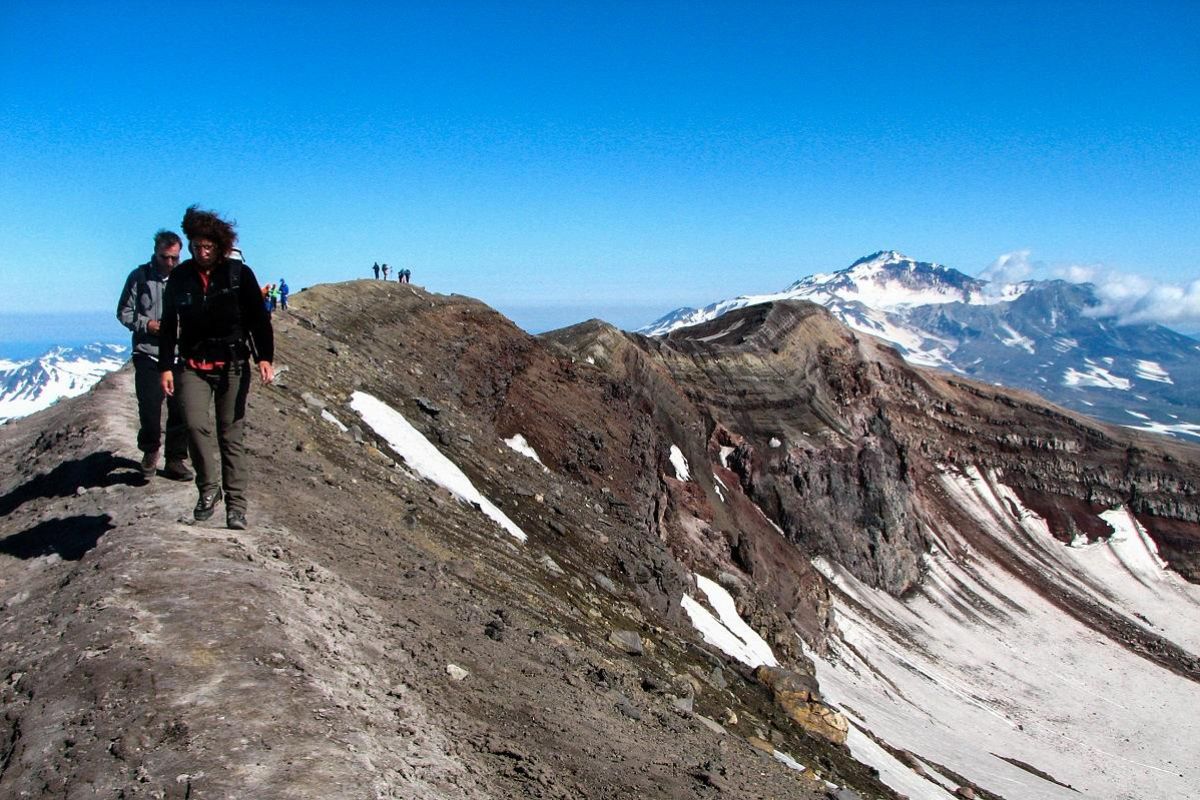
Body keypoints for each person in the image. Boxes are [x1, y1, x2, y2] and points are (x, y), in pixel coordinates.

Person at [160, 206, 274, 530]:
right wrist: (165, 366)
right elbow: (169, 324)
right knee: (195, 426)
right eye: (196, 246)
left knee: (230, 436)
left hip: (233, 367)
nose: (202, 251)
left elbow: (258, 319)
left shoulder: (239, 275)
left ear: (220, 246)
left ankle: (236, 506)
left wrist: (265, 357)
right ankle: (208, 490)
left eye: (208, 246)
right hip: (193, 366)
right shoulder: (180, 277)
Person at [117, 230, 194, 481]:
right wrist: (147, 325)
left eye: (175, 258)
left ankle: (175, 460)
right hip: (148, 353)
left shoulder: (187, 278)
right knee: (149, 408)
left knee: (181, 409)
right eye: (165, 257)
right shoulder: (139, 277)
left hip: (178, 354)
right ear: (156, 253)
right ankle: (150, 450)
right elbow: (124, 312)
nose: (170, 263)